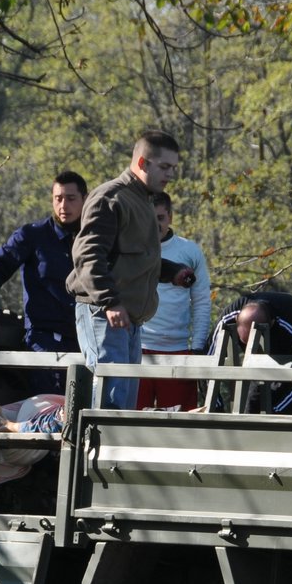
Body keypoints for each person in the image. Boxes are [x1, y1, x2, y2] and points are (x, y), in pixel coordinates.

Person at [67, 130, 181, 410]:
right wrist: (110, 301)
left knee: (123, 405)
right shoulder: (111, 198)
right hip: (104, 314)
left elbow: (131, 260)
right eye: (164, 167)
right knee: (110, 401)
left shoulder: (142, 200)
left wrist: (171, 272)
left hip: (126, 318)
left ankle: (112, 453)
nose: (170, 175)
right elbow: (88, 254)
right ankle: (94, 455)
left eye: (174, 168)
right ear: (142, 163)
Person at [0, 171, 87, 394]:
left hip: (86, 338)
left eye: (71, 198)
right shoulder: (33, 236)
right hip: (45, 340)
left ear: (84, 200)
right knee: (50, 406)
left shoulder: (93, 239)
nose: (63, 205)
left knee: (86, 405)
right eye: (58, 198)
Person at [136, 191, 210, 410]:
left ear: (170, 217)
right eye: (149, 219)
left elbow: (202, 302)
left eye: (159, 218)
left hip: (178, 351)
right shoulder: (130, 250)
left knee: (181, 425)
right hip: (136, 349)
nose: (154, 225)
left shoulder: (189, 250)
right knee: (131, 423)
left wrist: (196, 348)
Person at [211, 291, 292, 415]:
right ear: (237, 320)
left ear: (271, 324)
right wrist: (215, 410)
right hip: (261, 371)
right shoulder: (230, 316)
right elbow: (208, 361)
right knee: (251, 408)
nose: (248, 347)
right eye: (245, 342)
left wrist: (275, 416)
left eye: (254, 344)